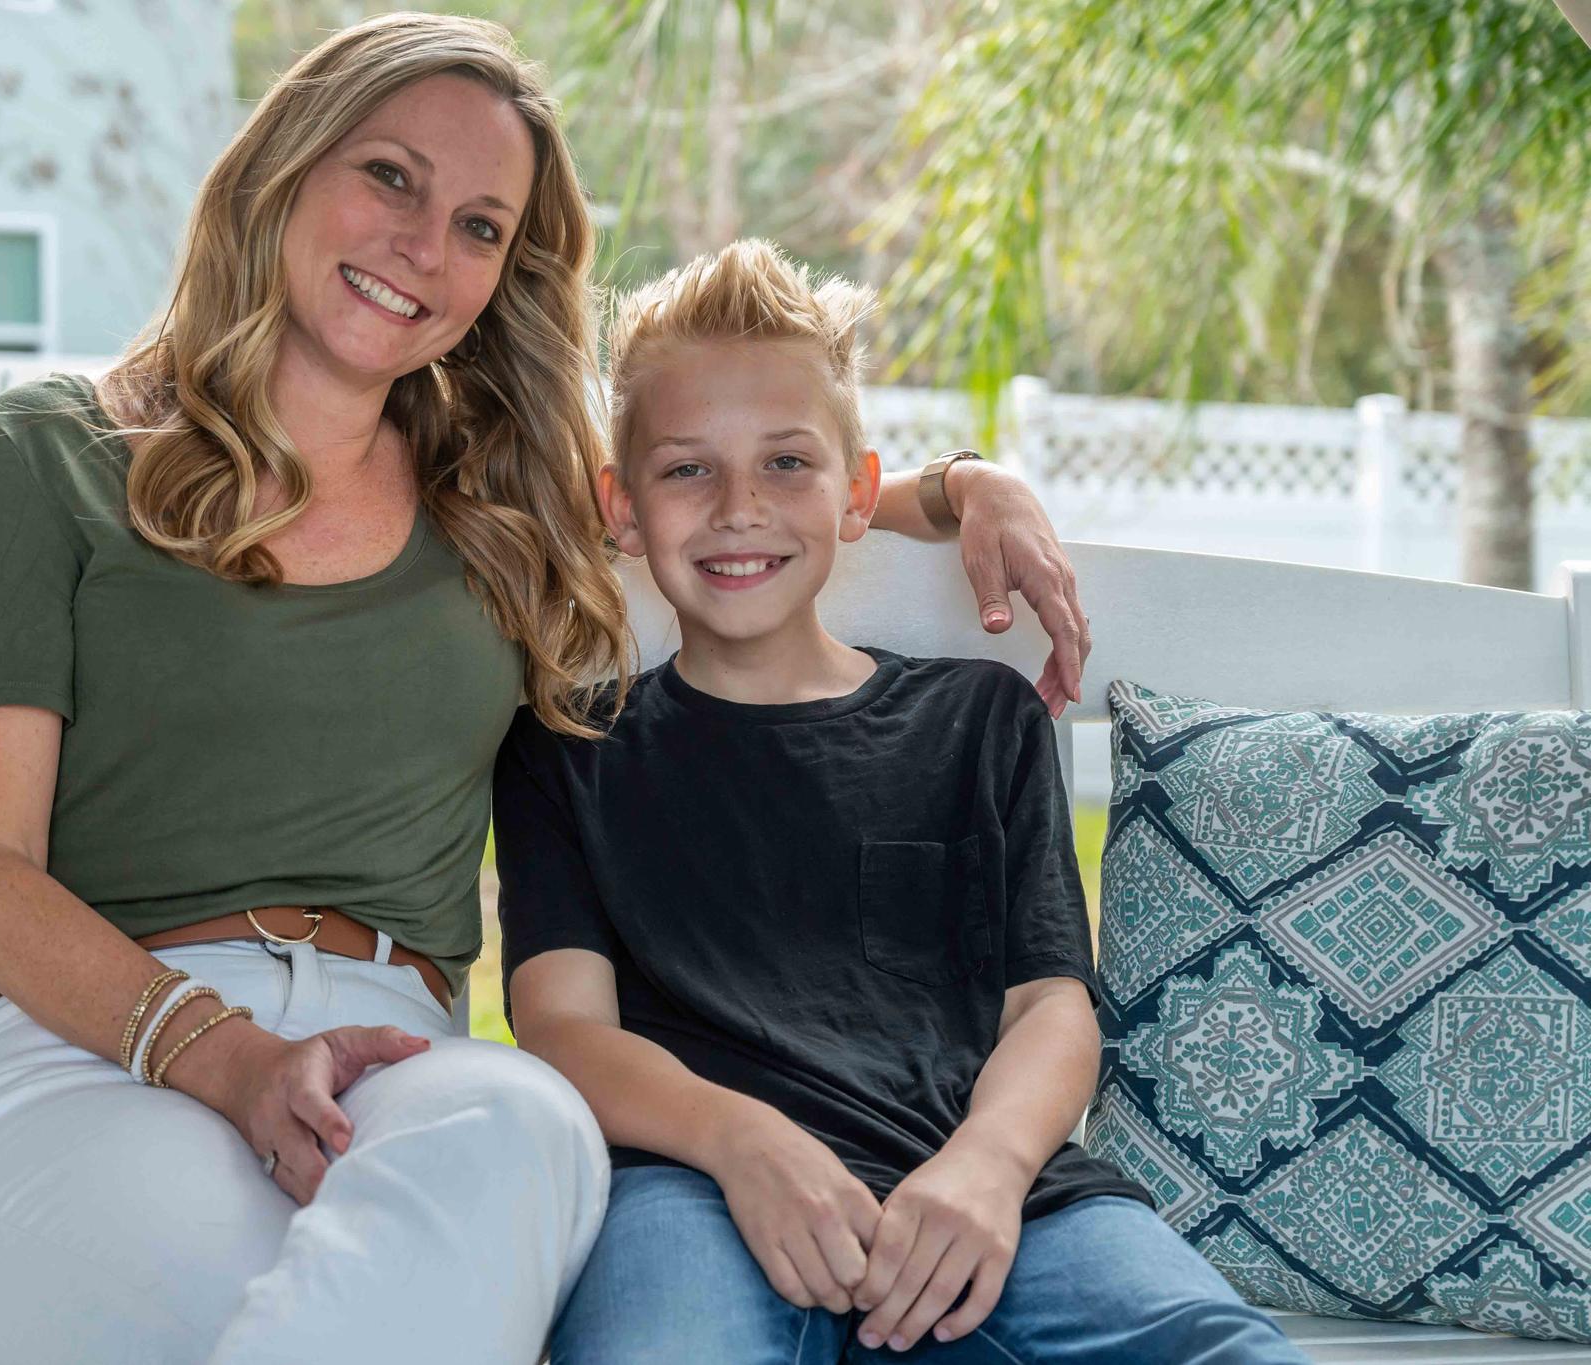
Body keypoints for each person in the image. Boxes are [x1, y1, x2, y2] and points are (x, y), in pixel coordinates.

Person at [0, 15, 1097, 1365]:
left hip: (404, 1067)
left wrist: (962, 486)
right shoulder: (49, 456)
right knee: (258, 1276)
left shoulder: (500, 500)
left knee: (527, 1126)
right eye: (391, 176)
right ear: (284, 164)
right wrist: (222, 1057)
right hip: (90, 1055)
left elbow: (729, 493)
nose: (424, 247)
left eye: (480, 226)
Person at [496, 239, 1309, 1364]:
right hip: (688, 1186)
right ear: (620, 507)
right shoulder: (570, 744)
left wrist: (986, 1165)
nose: (739, 508)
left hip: (992, 1198)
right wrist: (741, 1142)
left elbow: (1049, 1011)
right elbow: (561, 1027)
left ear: (856, 496)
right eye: (686, 470)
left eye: (787, 464)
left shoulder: (979, 721)